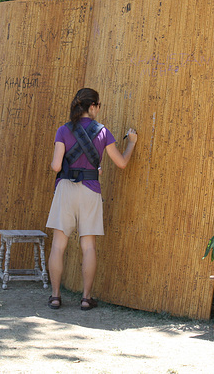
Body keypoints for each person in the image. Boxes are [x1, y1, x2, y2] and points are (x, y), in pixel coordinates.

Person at [46, 88, 137, 310]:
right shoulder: (103, 132)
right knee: (88, 246)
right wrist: (132, 142)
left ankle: (56, 296)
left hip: (66, 188)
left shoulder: (63, 130)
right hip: (90, 190)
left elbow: (56, 166)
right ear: (93, 106)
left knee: (58, 245)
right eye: (99, 105)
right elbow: (122, 163)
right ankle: (86, 298)